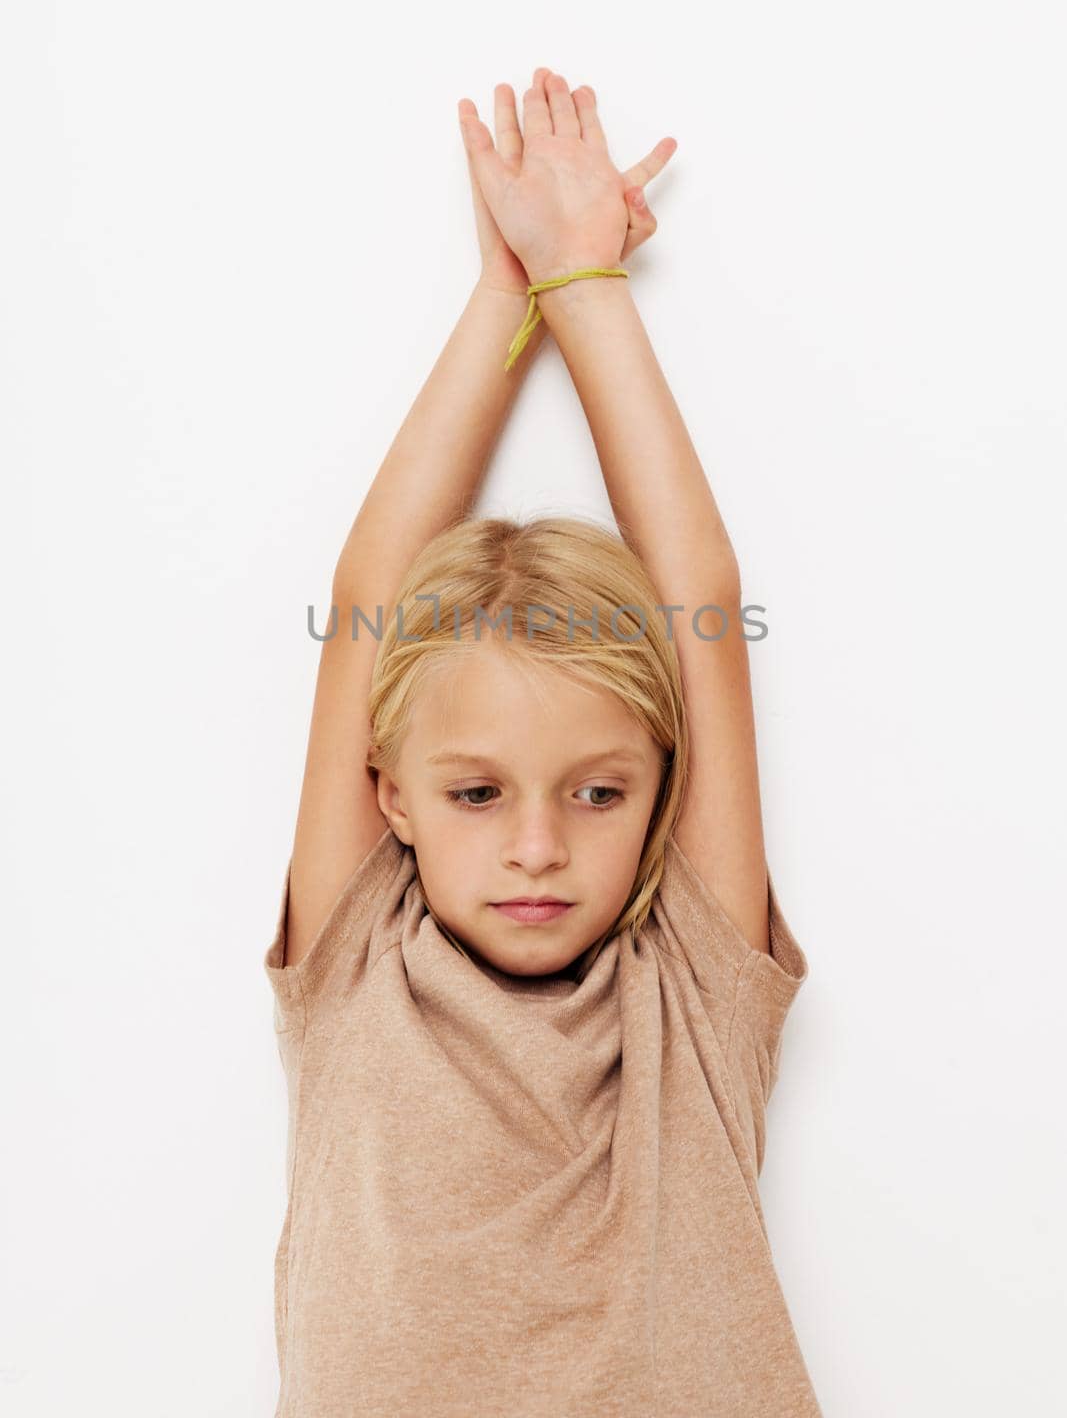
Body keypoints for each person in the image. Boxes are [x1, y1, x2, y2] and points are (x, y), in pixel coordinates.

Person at [262, 68, 822, 1416]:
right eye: (472, 792)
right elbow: (367, 612)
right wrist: (511, 291)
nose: (535, 845)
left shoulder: (688, 983)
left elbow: (702, 612)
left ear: (659, 797)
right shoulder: (356, 971)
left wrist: (587, 289)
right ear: (386, 795)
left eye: (596, 792)